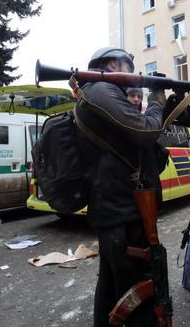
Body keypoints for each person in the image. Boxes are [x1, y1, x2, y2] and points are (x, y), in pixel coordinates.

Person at [74, 47, 166, 326]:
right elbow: (147, 131)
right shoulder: (101, 91)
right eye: (127, 66)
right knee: (138, 295)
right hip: (123, 212)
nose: (132, 73)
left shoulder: (98, 94)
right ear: (111, 64)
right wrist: (157, 101)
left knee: (113, 286)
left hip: (116, 210)